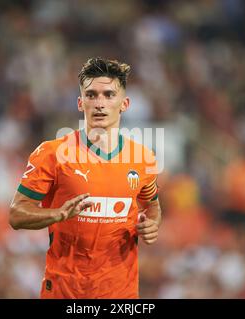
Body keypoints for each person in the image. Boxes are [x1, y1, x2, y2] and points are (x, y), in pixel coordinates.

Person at [9, 57, 162, 299]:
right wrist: (57, 214)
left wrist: (151, 224)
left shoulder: (143, 158)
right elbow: (16, 214)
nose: (100, 103)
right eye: (91, 95)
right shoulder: (52, 153)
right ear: (81, 103)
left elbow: (152, 206)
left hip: (121, 293)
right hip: (64, 290)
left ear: (124, 103)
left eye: (109, 95)